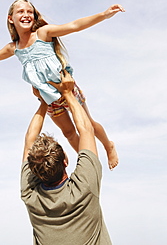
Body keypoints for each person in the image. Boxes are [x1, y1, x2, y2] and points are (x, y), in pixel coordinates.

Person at [0, 0, 125, 169]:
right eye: (21, 12)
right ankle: (86, 162)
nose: (26, 15)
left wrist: (104, 14)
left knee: (88, 125)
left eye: (29, 11)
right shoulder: (14, 48)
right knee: (69, 133)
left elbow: (74, 26)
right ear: (11, 18)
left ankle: (108, 146)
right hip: (49, 97)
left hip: (67, 88)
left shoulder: (43, 34)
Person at [21, 70, 112, 245]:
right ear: (65, 161)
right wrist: (67, 93)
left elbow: (28, 141)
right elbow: (86, 130)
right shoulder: (84, 188)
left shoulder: (30, 195)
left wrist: (43, 101)